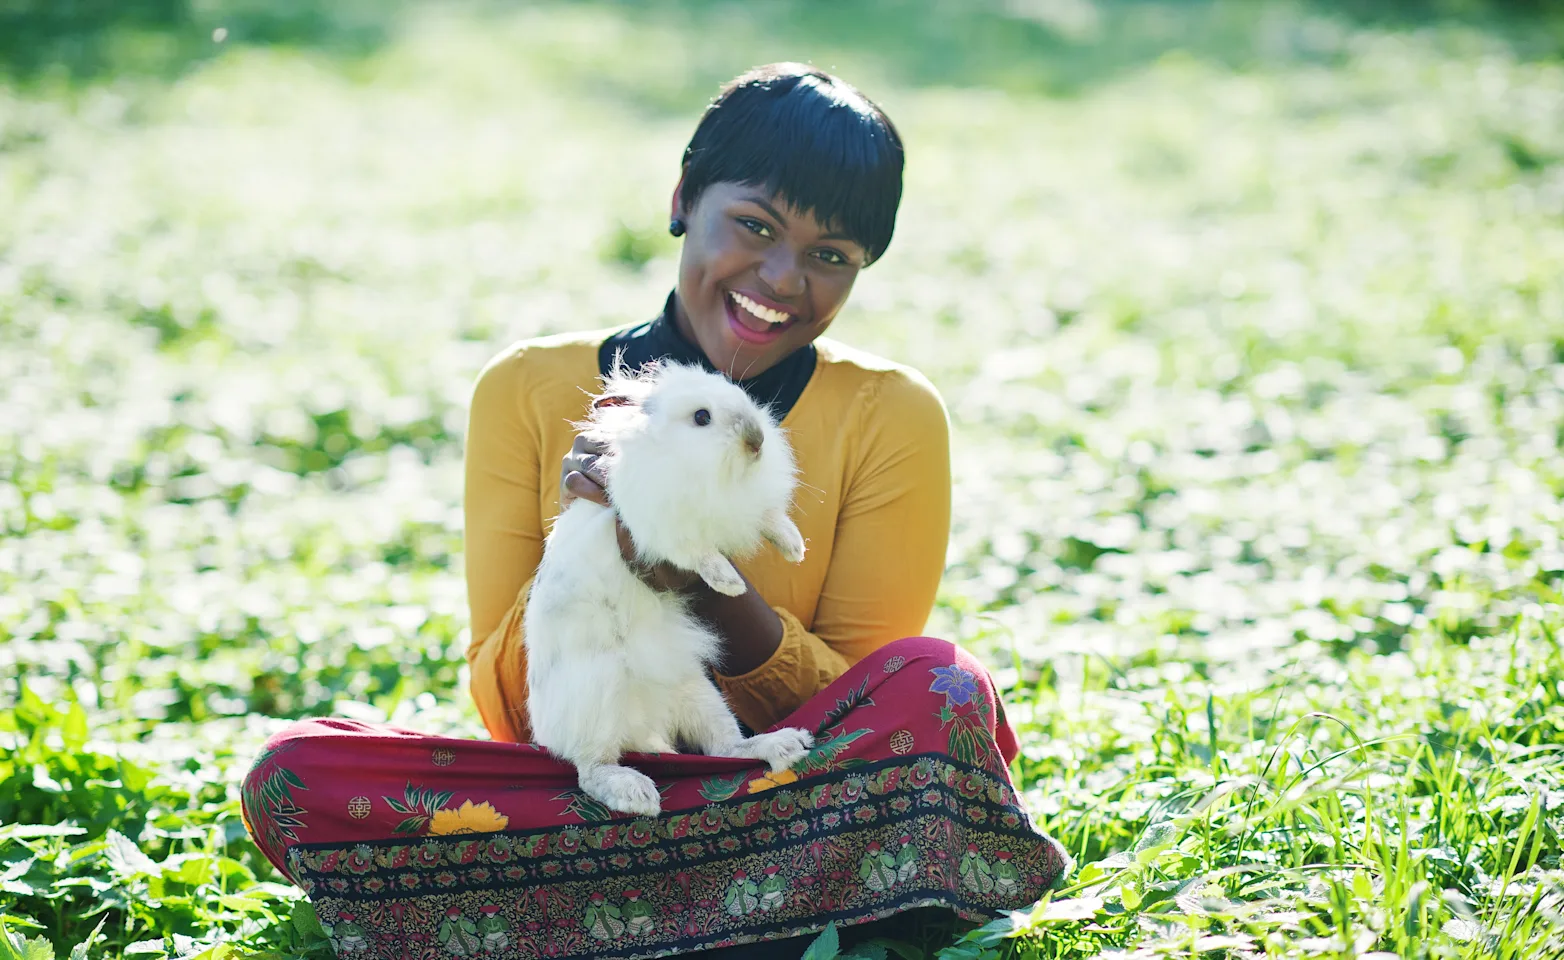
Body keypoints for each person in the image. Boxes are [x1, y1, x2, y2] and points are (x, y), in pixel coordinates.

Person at [241, 63, 1070, 960]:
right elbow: (512, 710)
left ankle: (585, 917)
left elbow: (852, 717)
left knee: (941, 685)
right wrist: (589, 541)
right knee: (298, 773)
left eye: (831, 256)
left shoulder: (892, 415)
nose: (783, 280)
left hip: (791, 794)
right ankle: (781, 912)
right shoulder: (528, 388)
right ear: (683, 197)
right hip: (597, 792)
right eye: (754, 226)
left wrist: (690, 575)